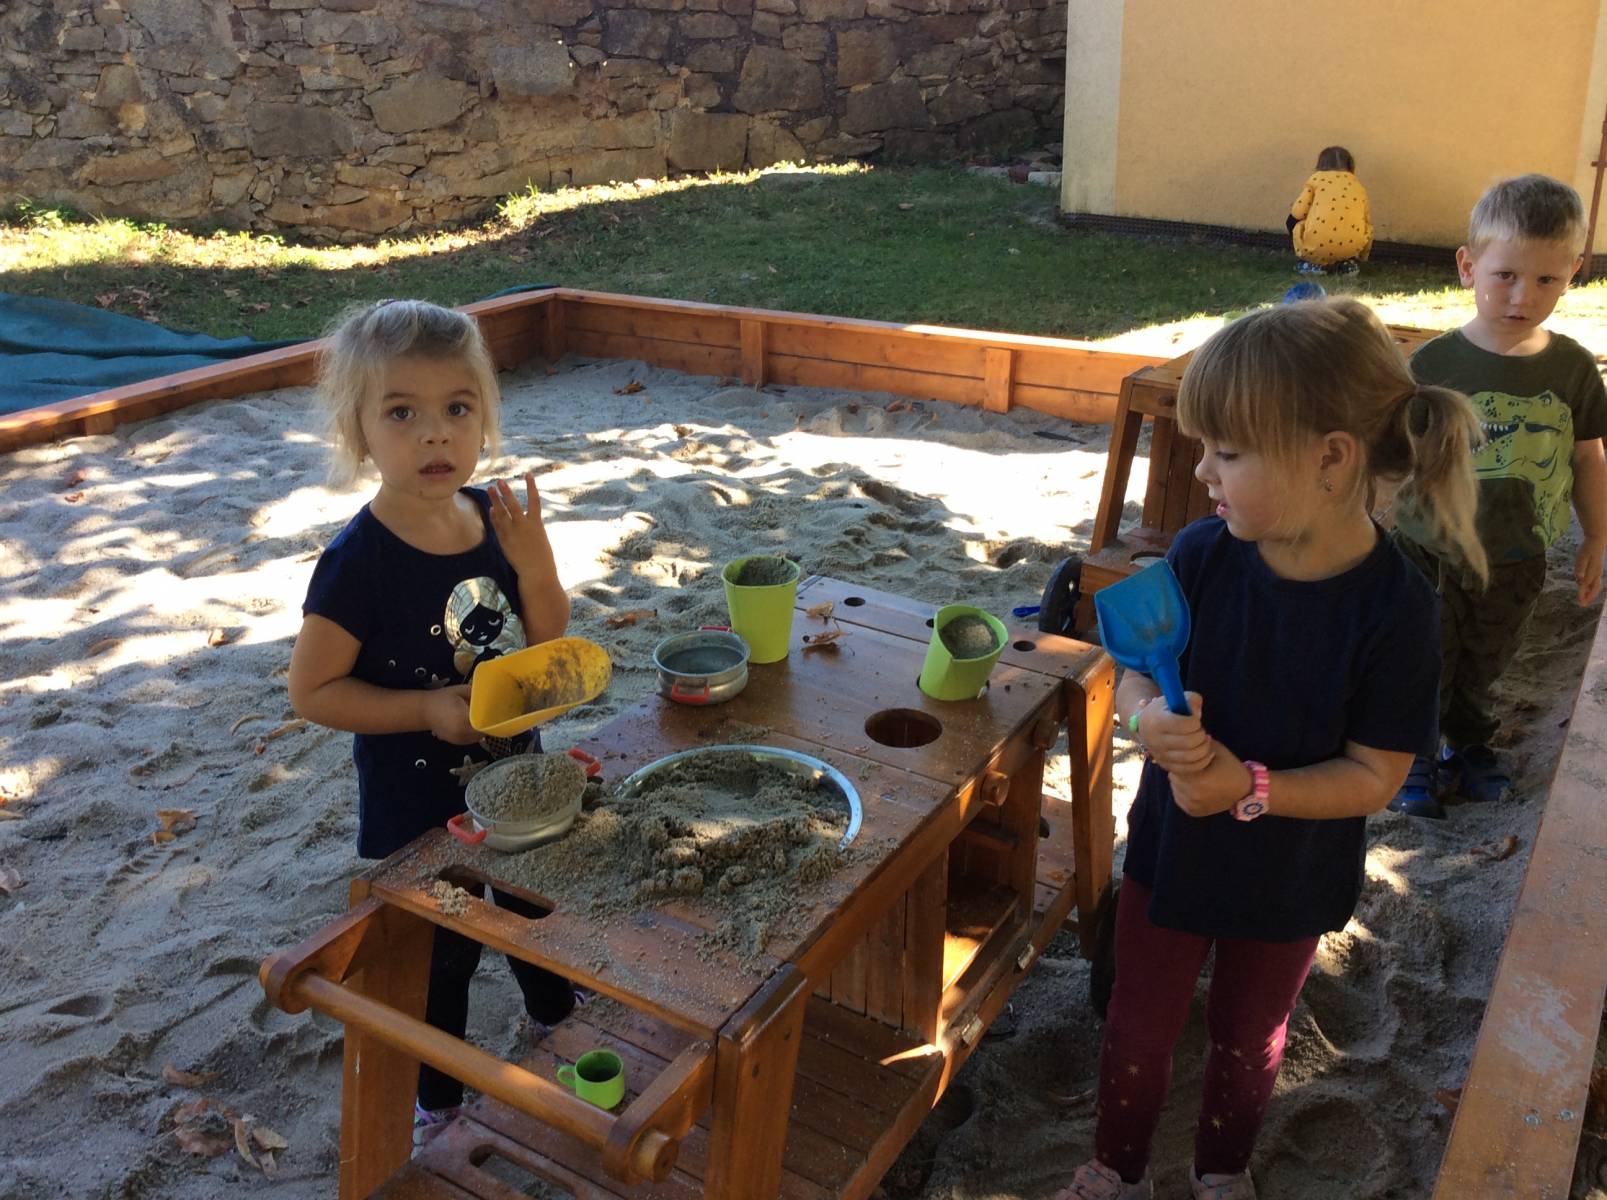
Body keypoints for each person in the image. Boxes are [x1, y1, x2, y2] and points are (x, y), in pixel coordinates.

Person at [1056, 298, 1486, 1200]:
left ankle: (1221, 1169)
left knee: (1249, 1034)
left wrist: (1246, 785)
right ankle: (1116, 1167)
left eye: (1227, 452)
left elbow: (1375, 776)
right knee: (1137, 1020)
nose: (1200, 469)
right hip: (1172, 850)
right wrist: (1144, 719)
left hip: (1289, 871)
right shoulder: (1202, 553)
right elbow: (1132, 671)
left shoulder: (1397, 610)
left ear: (1330, 458)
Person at [286, 298, 580, 1150]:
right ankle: (438, 1098)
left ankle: (555, 1021)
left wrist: (536, 566)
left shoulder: (494, 518)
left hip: (516, 780)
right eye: (401, 413)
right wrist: (422, 709)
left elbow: (546, 638)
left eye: (457, 408)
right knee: (439, 955)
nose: (435, 435)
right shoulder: (357, 564)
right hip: (416, 805)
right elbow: (312, 692)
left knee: (532, 913)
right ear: (358, 433)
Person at [1388, 174, 1607, 819]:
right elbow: (1393, 460)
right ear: (1468, 267)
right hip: (1430, 549)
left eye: (1546, 280)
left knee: (1490, 656)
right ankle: (1414, 754)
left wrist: (1596, 535)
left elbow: (1588, 454)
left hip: (1519, 552)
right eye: (1505, 275)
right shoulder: (1433, 367)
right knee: (1426, 653)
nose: (1522, 297)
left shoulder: (1572, 368)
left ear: (1574, 273)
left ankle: (1469, 745)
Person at [1287, 146, 1372, 276]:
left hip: (1317, 243)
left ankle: (1312, 263)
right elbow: (1366, 220)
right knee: (1365, 227)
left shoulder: (1316, 180)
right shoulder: (1358, 185)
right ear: (1350, 165)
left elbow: (1298, 212)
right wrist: (1362, 256)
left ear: (1320, 163)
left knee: (1294, 223)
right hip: (1351, 246)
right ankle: (1348, 263)